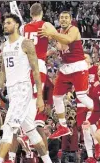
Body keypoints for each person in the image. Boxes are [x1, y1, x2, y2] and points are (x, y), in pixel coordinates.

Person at [0, 14, 58, 163]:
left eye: (8, 22)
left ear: (16, 25)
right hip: (12, 92)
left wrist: (38, 96)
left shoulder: (26, 43)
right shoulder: (5, 46)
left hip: (24, 90)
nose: (5, 25)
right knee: (30, 129)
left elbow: (36, 70)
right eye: (4, 22)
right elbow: (2, 73)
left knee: (8, 126)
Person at [1, 3, 54, 163]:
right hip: (38, 64)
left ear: (30, 13)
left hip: (23, 66)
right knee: (30, 111)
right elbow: (58, 38)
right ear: (42, 12)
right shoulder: (45, 25)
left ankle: (11, 159)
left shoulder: (24, 28)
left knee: (23, 111)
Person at [38, 11, 95, 139]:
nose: (63, 20)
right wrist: (41, 55)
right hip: (66, 68)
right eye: (61, 17)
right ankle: (63, 126)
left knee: (81, 96)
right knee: (56, 97)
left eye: (66, 17)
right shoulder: (59, 32)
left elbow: (68, 40)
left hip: (78, 66)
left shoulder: (73, 29)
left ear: (70, 20)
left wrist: (52, 34)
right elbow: (58, 47)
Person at [76, 53, 100, 163]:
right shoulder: (77, 71)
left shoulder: (96, 69)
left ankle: (97, 145)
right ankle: (91, 157)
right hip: (81, 102)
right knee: (85, 130)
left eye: (85, 57)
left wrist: (99, 82)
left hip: (92, 100)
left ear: (90, 60)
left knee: (90, 123)